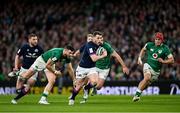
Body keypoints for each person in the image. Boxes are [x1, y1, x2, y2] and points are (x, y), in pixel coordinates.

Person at [80, 37, 129, 104]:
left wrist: (124, 66)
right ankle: (86, 93)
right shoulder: (93, 45)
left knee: (99, 87)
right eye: (99, 39)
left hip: (105, 69)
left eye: (101, 39)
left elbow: (117, 55)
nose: (100, 41)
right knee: (94, 81)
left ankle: (90, 87)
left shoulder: (107, 46)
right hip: (95, 66)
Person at [133, 32, 174, 102]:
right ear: (154, 39)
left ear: (162, 40)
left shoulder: (165, 48)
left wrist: (163, 61)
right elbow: (143, 50)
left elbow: (172, 60)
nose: (157, 40)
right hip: (148, 65)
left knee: (146, 84)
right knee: (147, 77)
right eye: (156, 39)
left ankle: (138, 91)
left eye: (159, 39)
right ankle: (137, 95)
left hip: (156, 71)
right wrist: (139, 58)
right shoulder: (149, 45)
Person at [68, 31, 107, 105]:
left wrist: (103, 50)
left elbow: (102, 49)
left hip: (92, 68)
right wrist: (103, 55)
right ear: (93, 38)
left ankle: (86, 88)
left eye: (100, 38)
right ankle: (72, 97)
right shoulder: (89, 45)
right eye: (98, 38)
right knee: (79, 86)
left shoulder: (99, 45)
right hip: (82, 68)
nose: (99, 40)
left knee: (95, 82)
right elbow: (94, 59)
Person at [10, 33, 44, 104]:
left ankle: (15, 99)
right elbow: (17, 56)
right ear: (29, 40)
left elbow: (43, 60)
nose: (36, 41)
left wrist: (42, 70)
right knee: (18, 90)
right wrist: (16, 67)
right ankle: (19, 76)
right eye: (34, 39)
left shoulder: (39, 49)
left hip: (34, 70)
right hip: (24, 69)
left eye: (36, 39)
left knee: (29, 86)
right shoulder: (24, 47)